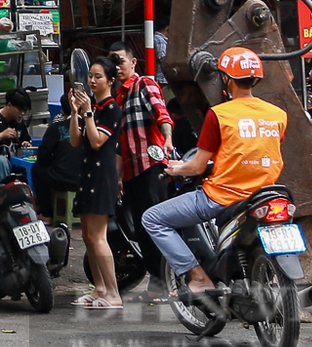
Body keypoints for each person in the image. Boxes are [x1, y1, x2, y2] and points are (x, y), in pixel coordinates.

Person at [144, 46, 289, 305]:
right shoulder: (278, 115)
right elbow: (253, 148)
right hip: (265, 195)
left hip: (223, 197)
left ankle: (198, 277)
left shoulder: (219, 115)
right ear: (256, 79)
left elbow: (197, 167)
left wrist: (177, 168)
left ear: (227, 79)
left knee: (153, 218)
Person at [110, 45, 175, 273]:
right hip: (131, 172)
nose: (117, 68)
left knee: (156, 225)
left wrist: (167, 137)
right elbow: (120, 143)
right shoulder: (118, 98)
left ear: (133, 62)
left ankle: (168, 280)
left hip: (151, 166)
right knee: (142, 226)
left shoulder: (143, 84)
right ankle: (157, 283)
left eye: (121, 62)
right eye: (113, 64)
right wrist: (118, 177)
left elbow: (161, 113)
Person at [67, 57, 123, 306]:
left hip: (103, 177)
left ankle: (114, 293)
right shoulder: (95, 109)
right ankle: (99, 288)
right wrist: (74, 112)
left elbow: (97, 140)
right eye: (90, 76)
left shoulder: (111, 109)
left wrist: (87, 111)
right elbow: (76, 141)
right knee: (88, 236)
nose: (92, 80)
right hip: (87, 173)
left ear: (111, 81)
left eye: (98, 76)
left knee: (99, 236)